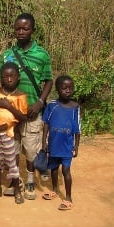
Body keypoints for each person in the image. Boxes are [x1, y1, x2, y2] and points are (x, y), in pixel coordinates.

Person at [0, 13, 53, 200]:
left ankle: (30, 180)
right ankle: (15, 182)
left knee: (30, 149)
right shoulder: (7, 55)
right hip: (9, 114)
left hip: (31, 112)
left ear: (32, 30)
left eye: (25, 28)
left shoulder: (41, 54)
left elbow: (48, 81)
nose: (20, 32)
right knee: (12, 148)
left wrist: (40, 102)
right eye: (17, 28)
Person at [0, 62, 28, 204]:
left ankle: (17, 190)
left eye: (12, 76)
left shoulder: (20, 95)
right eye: (5, 77)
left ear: (18, 77)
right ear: (1, 78)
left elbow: (23, 117)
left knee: (12, 163)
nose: (9, 79)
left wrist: (9, 106)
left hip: (9, 134)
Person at [41, 75, 80, 210]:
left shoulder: (75, 107)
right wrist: (44, 142)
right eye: (64, 88)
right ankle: (55, 190)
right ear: (58, 89)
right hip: (53, 144)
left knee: (66, 170)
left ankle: (68, 197)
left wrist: (76, 146)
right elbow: (46, 124)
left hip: (67, 146)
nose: (68, 91)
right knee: (53, 168)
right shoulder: (52, 105)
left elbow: (77, 129)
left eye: (70, 88)